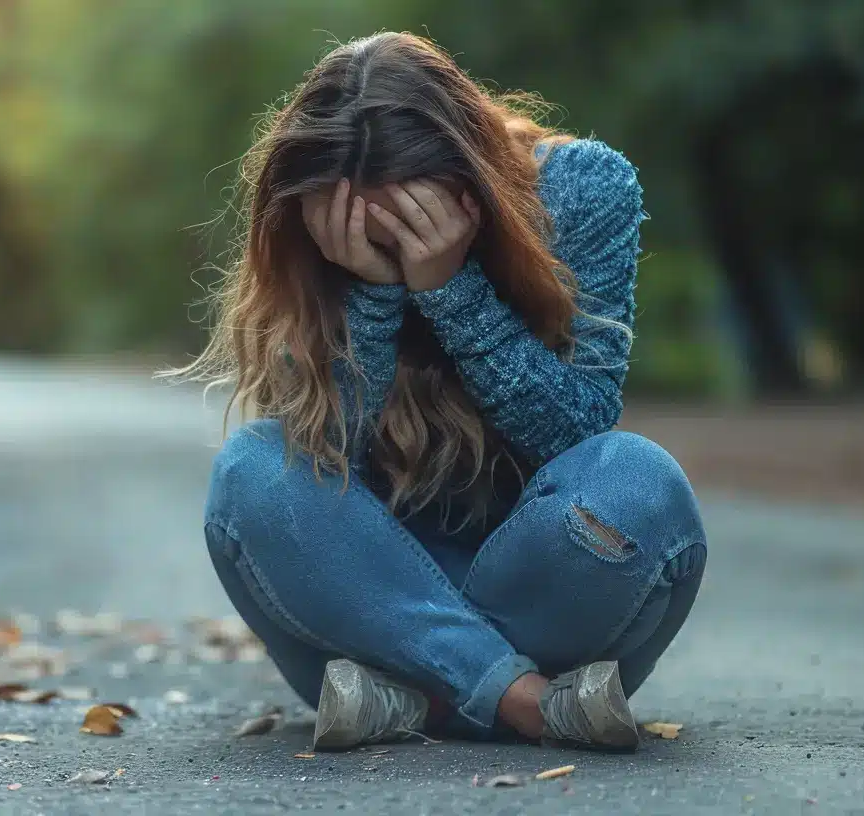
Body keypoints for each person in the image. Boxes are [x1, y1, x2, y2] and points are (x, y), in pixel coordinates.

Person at [169, 32, 706, 752]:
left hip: (517, 597)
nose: (391, 238)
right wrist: (372, 293)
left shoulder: (583, 188)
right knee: (252, 471)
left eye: (410, 220)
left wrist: (453, 288)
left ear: (471, 183)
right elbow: (324, 483)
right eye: (364, 229)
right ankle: (528, 704)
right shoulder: (309, 236)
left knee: (640, 481)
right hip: (377, 605)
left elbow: (577, 436)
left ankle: (418, 701)